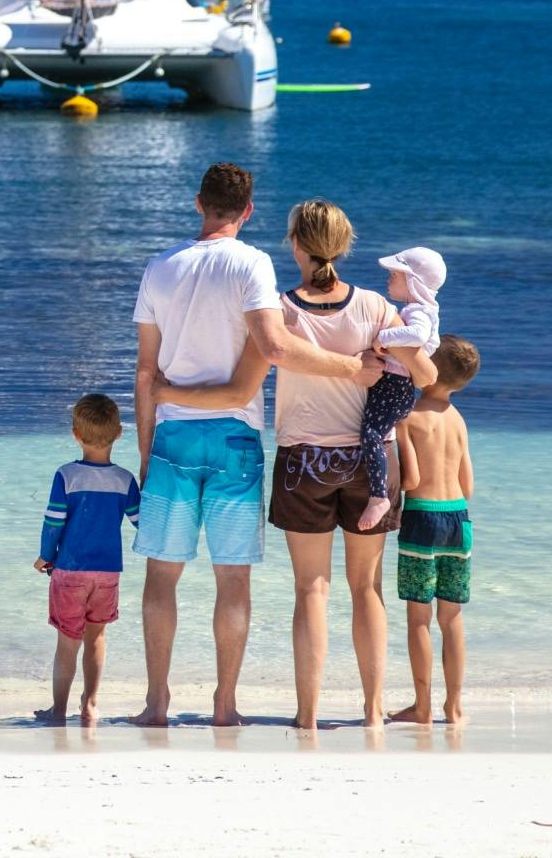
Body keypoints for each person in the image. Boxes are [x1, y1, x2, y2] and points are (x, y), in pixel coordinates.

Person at [166, 198, 437, 729]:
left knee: (312, 588)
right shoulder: (375, 307)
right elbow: (425, 376)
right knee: (367, 589)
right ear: (344, 246)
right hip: (370, 462)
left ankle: (308, 716)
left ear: (294, 244)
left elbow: (243, 383)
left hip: (302, 461)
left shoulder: (279, 311)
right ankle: (373, 712)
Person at [129, 166, 381, 728]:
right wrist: (353, 369)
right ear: (248, 211)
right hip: (236, 439)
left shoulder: (159, 267)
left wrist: (145, 454)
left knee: (161, 577)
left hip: (172, 435)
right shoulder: (252, 264)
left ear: (199, 203)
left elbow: (145, 372)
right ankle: (225, 704)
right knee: (233, 579)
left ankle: (156, 702)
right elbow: (275, 347)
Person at [32, 392, 141, 726]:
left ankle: (58, 711)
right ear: (119, 433)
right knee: (97, 637)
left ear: (75, 434)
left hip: (70, 571)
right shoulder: (125, 480)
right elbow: (141, 522)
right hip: (108, 573)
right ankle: (90, 704)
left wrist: (45, 556)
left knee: (68, 642)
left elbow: (53, 523)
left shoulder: (66, 476)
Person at [390, 335, 479, 726]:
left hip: (422, 520)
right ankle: (454, 707)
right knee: (452, 618)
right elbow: (467, 486)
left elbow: (411, 481)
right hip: (458, 520)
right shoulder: (458, 420)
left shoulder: (409, 417)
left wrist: (397, 437)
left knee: (418, 620)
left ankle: (422, 705)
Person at [356, 247, 447, 531]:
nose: (389, 279)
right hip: (395, 385)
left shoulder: (420, 310)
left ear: (413, 282)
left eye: (395, 275)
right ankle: (378, 493)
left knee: (371, 433)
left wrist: (383, 337)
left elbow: (417, 335)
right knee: (373, 432)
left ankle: (378, 496)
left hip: (396, 386)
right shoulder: (415, 309)